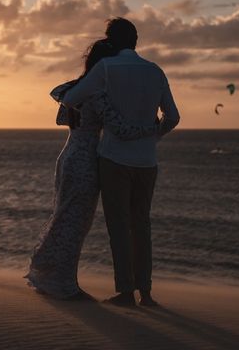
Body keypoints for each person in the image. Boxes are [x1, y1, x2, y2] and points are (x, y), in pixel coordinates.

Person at [25, 38, 159, 300]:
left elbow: (60, 111)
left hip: (68, 155)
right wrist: (151, 130)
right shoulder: (98, 95)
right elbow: (120, 128)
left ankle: (54, 274)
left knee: (65, 216)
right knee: (76, 222)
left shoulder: (73, 90)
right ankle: (64, 283)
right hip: (86, 160)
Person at [62, 18, 180, 307]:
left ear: (112, 42)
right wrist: (151, 137)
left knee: (119, 226)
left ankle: (126, 291)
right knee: (142, 225)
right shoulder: (155, 71)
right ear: (136, 40)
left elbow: (72, 98)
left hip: (114, 158)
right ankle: (147, 293)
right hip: (147, 160)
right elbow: (173, 117)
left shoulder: (106, 68)